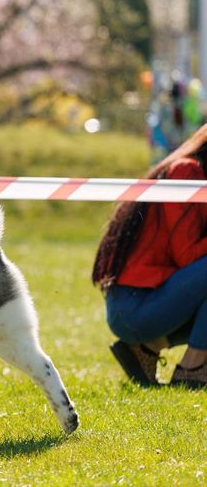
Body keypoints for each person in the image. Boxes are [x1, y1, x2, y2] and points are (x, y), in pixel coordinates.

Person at [93, 124, 207, 388]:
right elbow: (188, 255)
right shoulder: (186, 172)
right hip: (134, 308)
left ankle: (149, 348)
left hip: (145, 305)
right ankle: (193, 368)